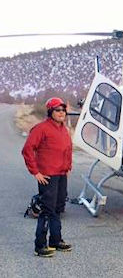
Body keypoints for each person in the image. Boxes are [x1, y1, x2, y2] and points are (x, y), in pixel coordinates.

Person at [22, 97, 73, 257]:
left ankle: (55, 241)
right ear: (51, 112)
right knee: (47, 210)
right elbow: (27, 150)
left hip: (61, 174)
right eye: (57, 110)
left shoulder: (63, 129)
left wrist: (68, 168)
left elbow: (67, 150)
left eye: (63, 110)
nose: (61, 113)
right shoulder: (41, 128)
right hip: (48, 176)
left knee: (58, 208)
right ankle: (40, 245)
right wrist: (35, 172)